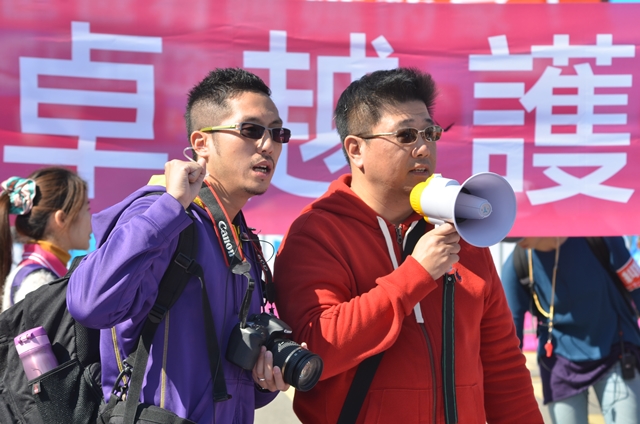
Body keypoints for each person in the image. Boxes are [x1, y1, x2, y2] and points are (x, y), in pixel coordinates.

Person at [273, 68, 543, 424]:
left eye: (430, 133)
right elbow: (317, 345)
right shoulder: (317, 233)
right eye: (405, 135)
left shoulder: (459, 230)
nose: (423, 147)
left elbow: (502, 366)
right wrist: (416, 275)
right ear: (356, 149)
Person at [67, 68, 290, 423]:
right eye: (251, 130)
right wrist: (170, 207)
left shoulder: (241, 239)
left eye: (277, 133)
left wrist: (264, 380)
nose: (268, 145)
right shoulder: (161, 214)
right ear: (201, 143)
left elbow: (224, 382)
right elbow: (90, 303)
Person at [501, 236, 640, 424]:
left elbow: (637, 288)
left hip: (615, 349)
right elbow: (509, 337)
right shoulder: (516, 264)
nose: (514, 237)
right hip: (559, 363)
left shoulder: (600, 237)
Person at [1, 167, 91, 311]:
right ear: (62, 219)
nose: (91, 219)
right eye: (87, 210)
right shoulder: (39, 281)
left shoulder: (37, 273)